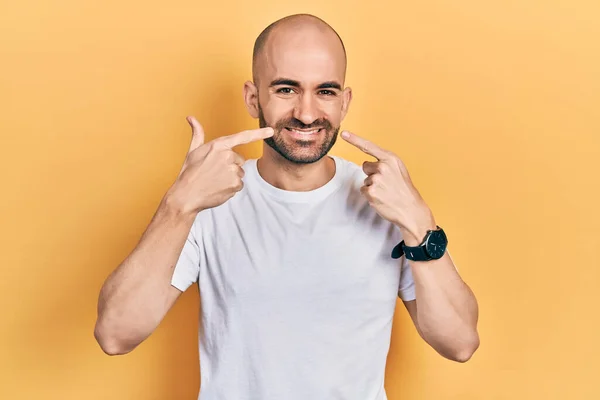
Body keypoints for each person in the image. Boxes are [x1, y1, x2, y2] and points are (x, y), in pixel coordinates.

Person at [94, 13, 480, 400]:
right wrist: (180, 203)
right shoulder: (207, 199)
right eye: (286, 89)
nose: (307, 113)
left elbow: (459, 343)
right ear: (252, 97)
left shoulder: (387, 202)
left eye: (325, 91)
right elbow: (115, 334)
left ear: (345, 102)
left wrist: (418, 221)